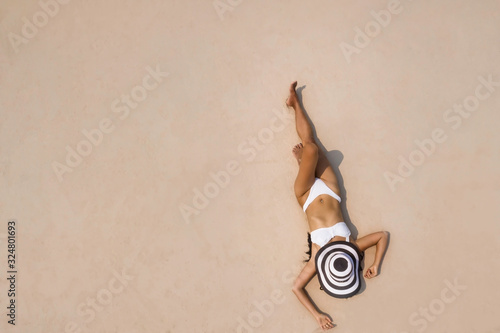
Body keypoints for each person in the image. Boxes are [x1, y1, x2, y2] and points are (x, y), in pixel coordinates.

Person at [286, 81, 389, 331]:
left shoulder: (316, 258)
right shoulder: (351, 245)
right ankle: (295, 103)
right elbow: (382, 236)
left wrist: (317, 315)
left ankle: (304, 162)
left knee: (310, 148)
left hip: (307, 195)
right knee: (310, 142)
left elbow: (296, 287)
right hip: (331, 189)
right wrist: (376, 264)